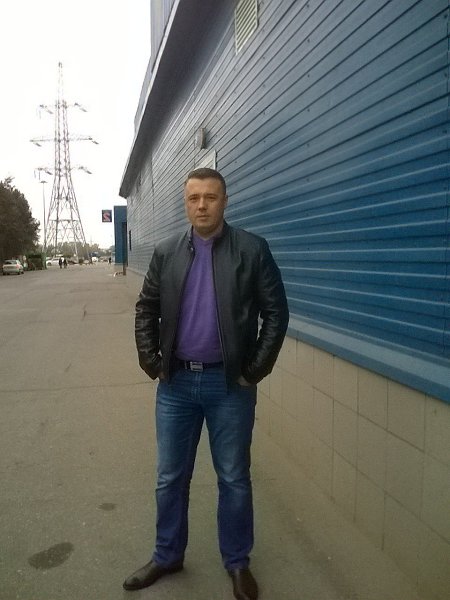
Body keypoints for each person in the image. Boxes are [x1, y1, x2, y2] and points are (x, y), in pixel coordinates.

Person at [124, 168, 289, 600]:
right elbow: (146, 308)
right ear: (186, 203)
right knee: (170, 477)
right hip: (176, 385)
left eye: (210, 197)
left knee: (233, 477)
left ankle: (237, 562)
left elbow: (277, 313)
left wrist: (253, 370)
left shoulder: (252, 250)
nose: (201, 205)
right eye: (193, 198)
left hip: (229, 387)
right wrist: (151, 361)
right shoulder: (166, 252)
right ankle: (167, 555)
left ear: (224, 201)